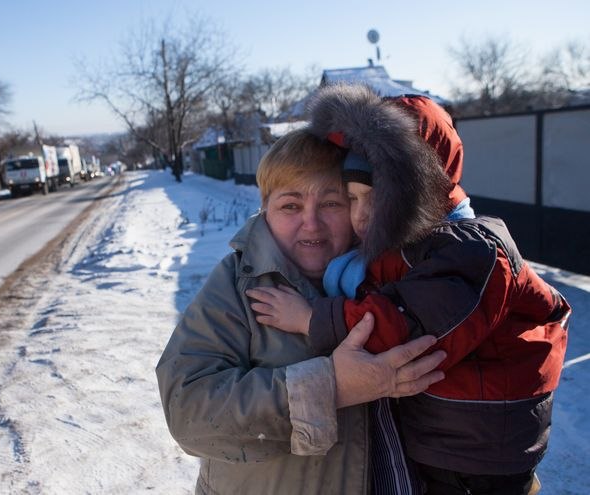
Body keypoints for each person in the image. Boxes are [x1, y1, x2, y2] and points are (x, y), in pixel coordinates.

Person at [247, 84, 571, 494]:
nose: (361, 215)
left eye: (376, 199)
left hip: (480, 452)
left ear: (416, 192)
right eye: (351, 198)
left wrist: (310, 318)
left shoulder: (473, 249)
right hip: (443, 440)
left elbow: (406, 327)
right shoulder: (398, 251)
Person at [156, 127, 447, 494]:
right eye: (290, 205)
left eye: (331, 203)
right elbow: (189, 413)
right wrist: (331, 387)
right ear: (265, 209)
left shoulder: (396, 275)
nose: (311, 223)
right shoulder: (239, 284)